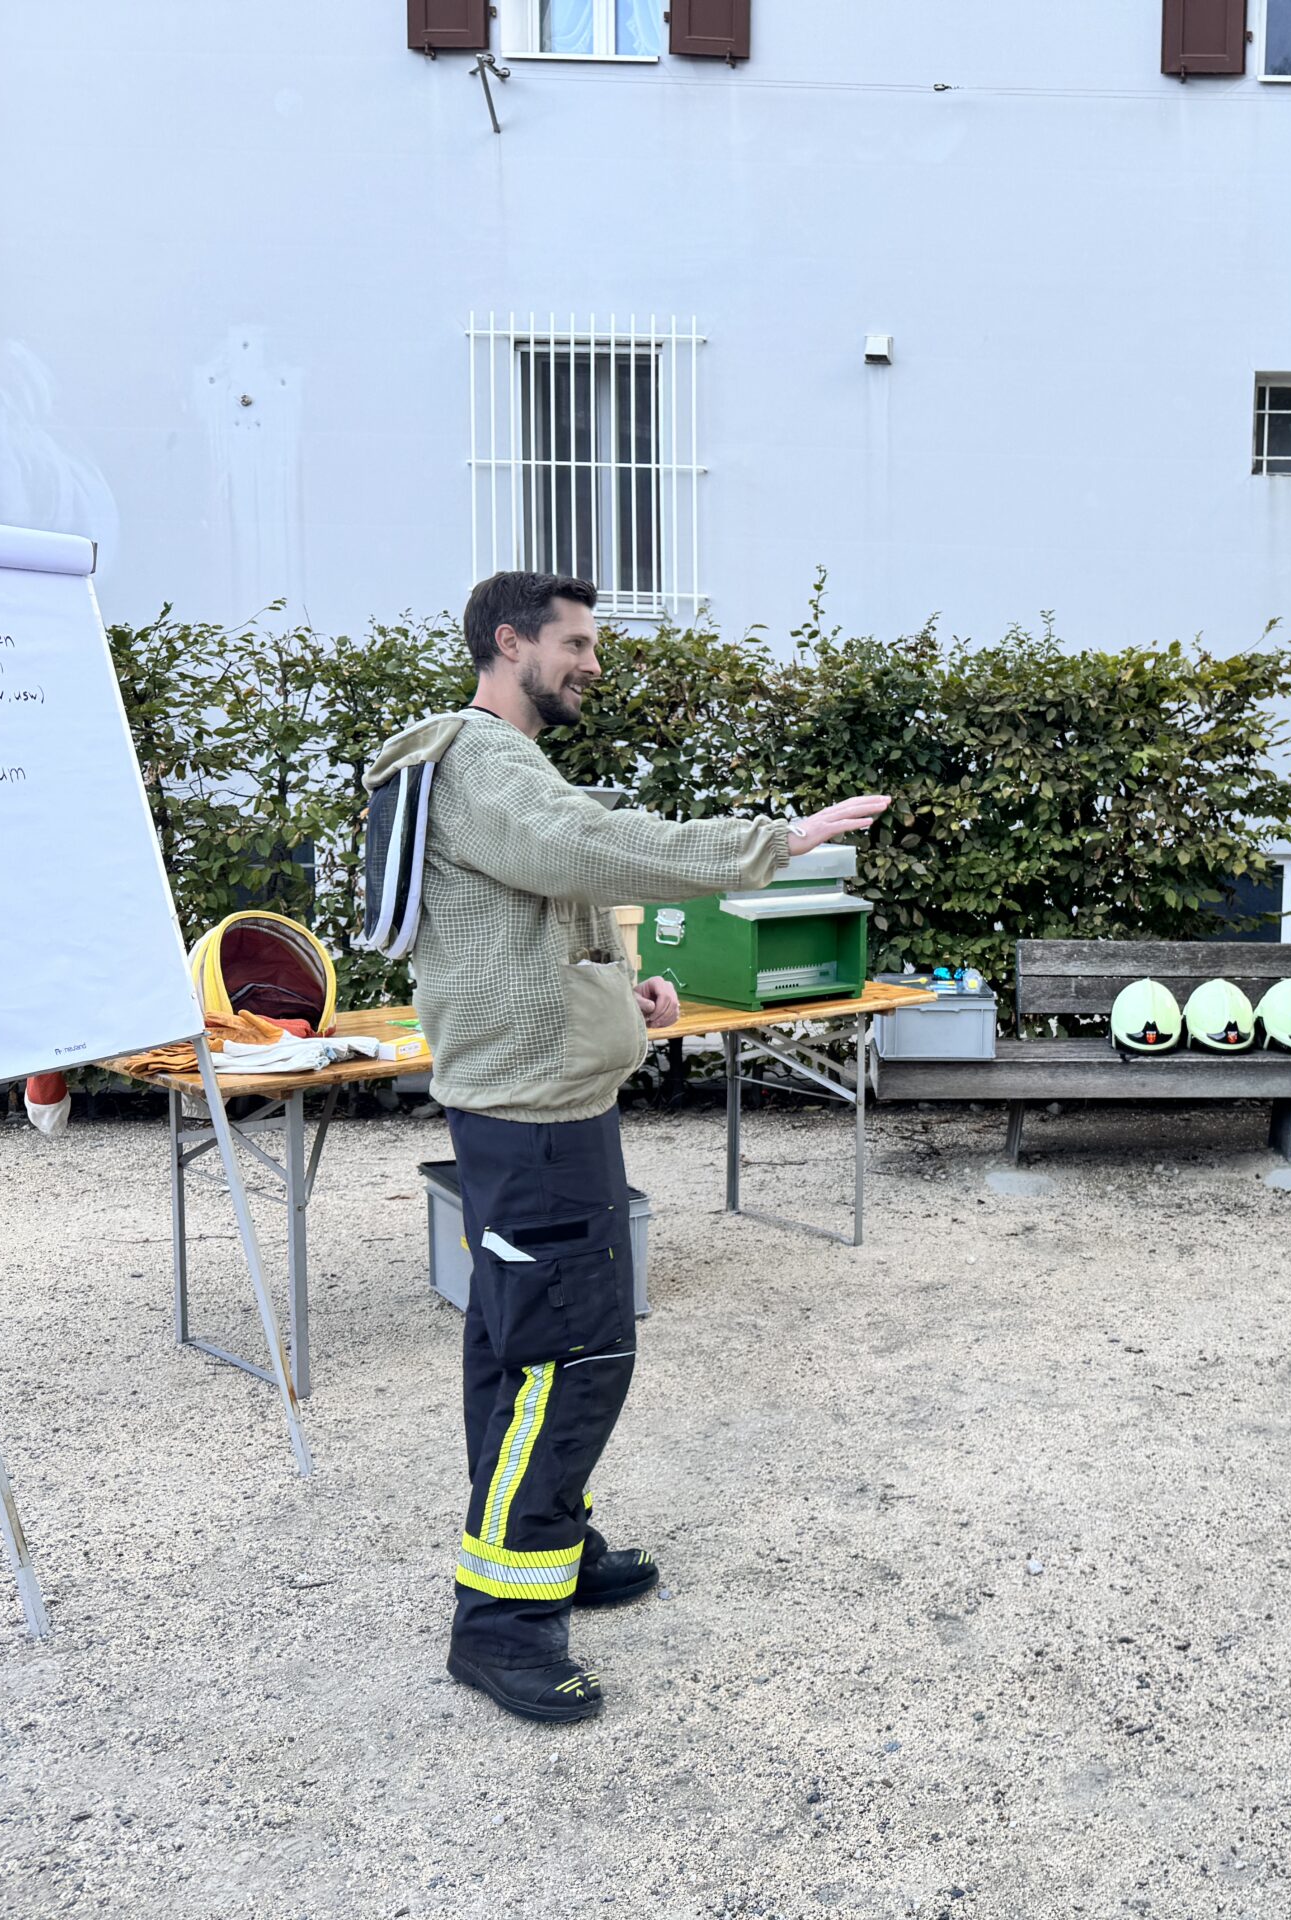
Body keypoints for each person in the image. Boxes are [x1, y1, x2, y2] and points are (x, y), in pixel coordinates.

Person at [365, 571, 888, 1725]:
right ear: (510, 643)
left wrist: (620, 987)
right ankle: (501, 1625)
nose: (592, 664)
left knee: (516, 1347)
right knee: (570, 1359)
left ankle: (551, 1542)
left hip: (534, 1106)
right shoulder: (484, 761)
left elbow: (535, 910)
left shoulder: (489, 766)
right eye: (577, 643)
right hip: (536, 1120)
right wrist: (777, 841)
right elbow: (583, 847)